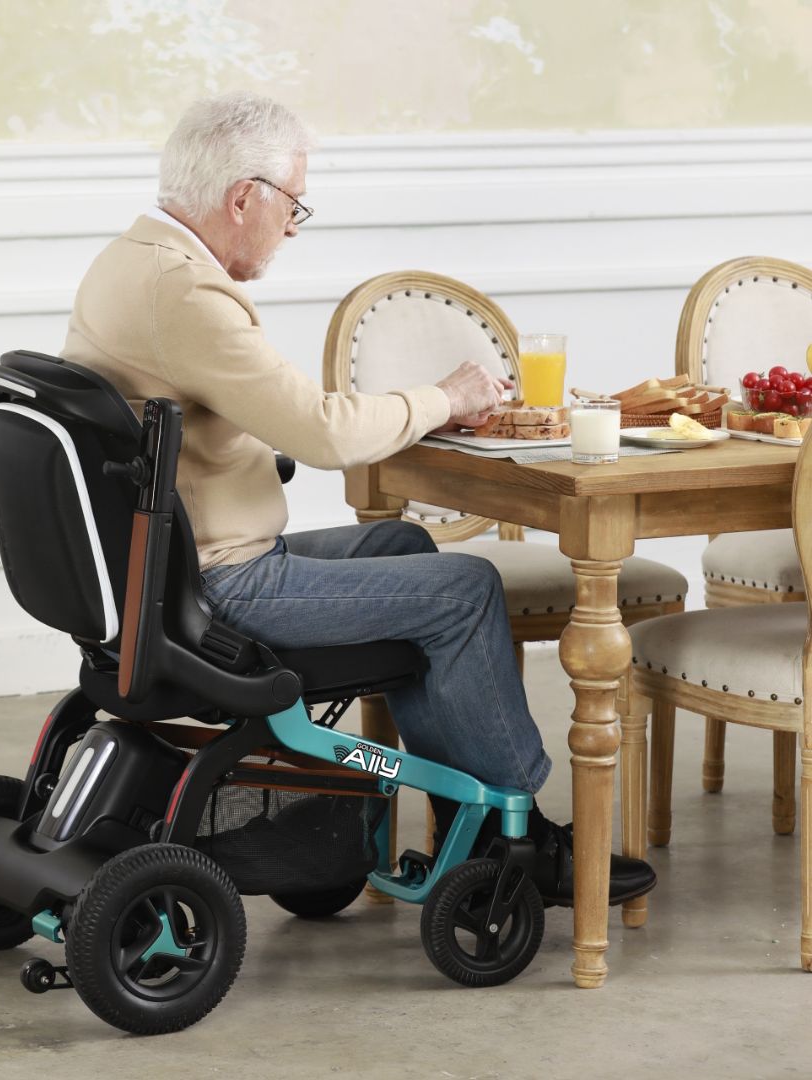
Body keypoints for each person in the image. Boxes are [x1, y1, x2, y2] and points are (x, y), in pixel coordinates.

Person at [60, 91, 654, 908]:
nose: (294, 228)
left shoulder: (129, 259)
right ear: (244, 198)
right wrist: (446, 397)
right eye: (293, 205)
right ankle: (518, 831)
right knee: (465, 589)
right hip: (222, 584)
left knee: (403, 548)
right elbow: (323, 433)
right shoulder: (186, 294)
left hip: (167, 569)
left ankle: (466, 823)